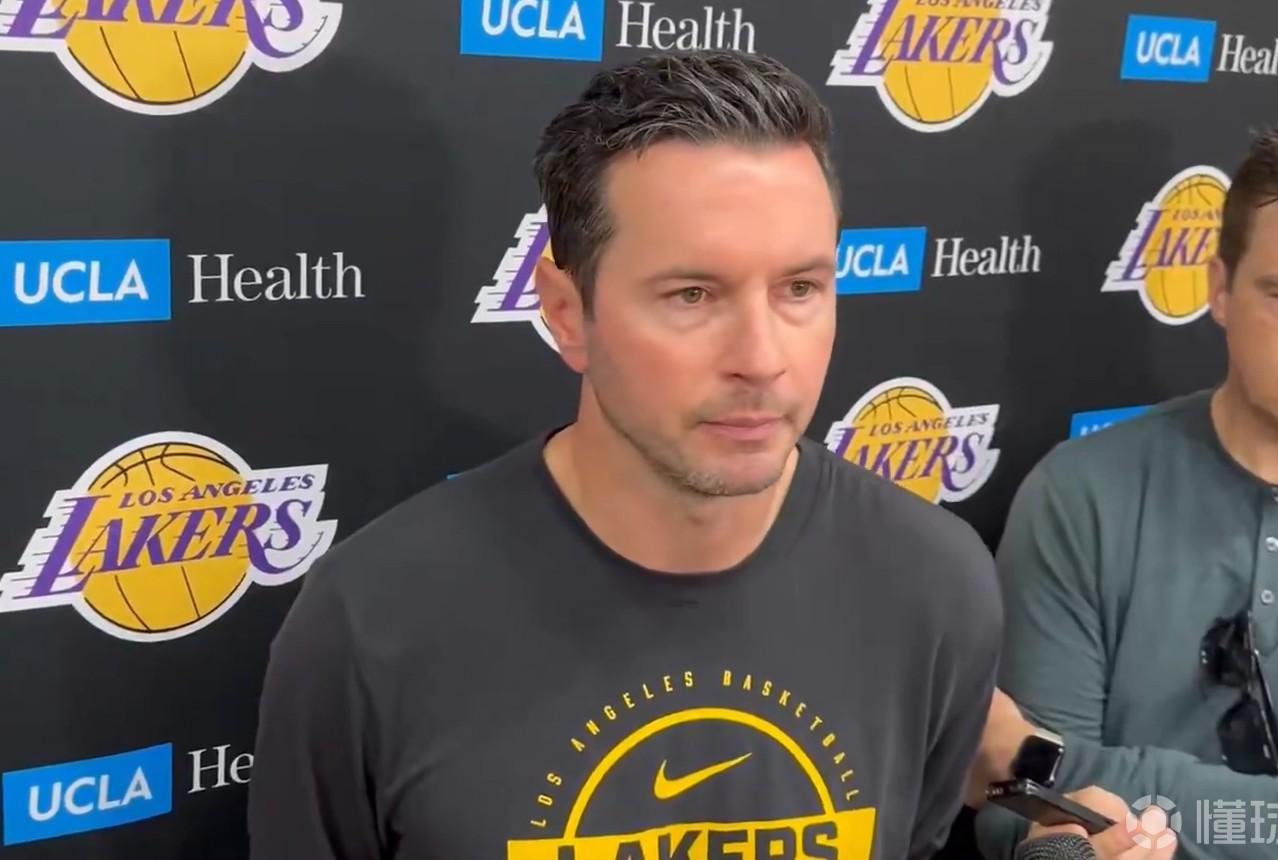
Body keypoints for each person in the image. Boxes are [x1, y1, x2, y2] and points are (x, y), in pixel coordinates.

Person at [248, 49, 1013, 859]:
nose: (762, 358)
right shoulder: (372, 620)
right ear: (565, 312)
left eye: (799, 289)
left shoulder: (934, 585)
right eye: (693, 295)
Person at [972, 115, 1278, 859]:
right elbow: (1014, 812)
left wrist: (1064, 769)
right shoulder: (1080, 498)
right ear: (1220, 290)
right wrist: (1043, 790)